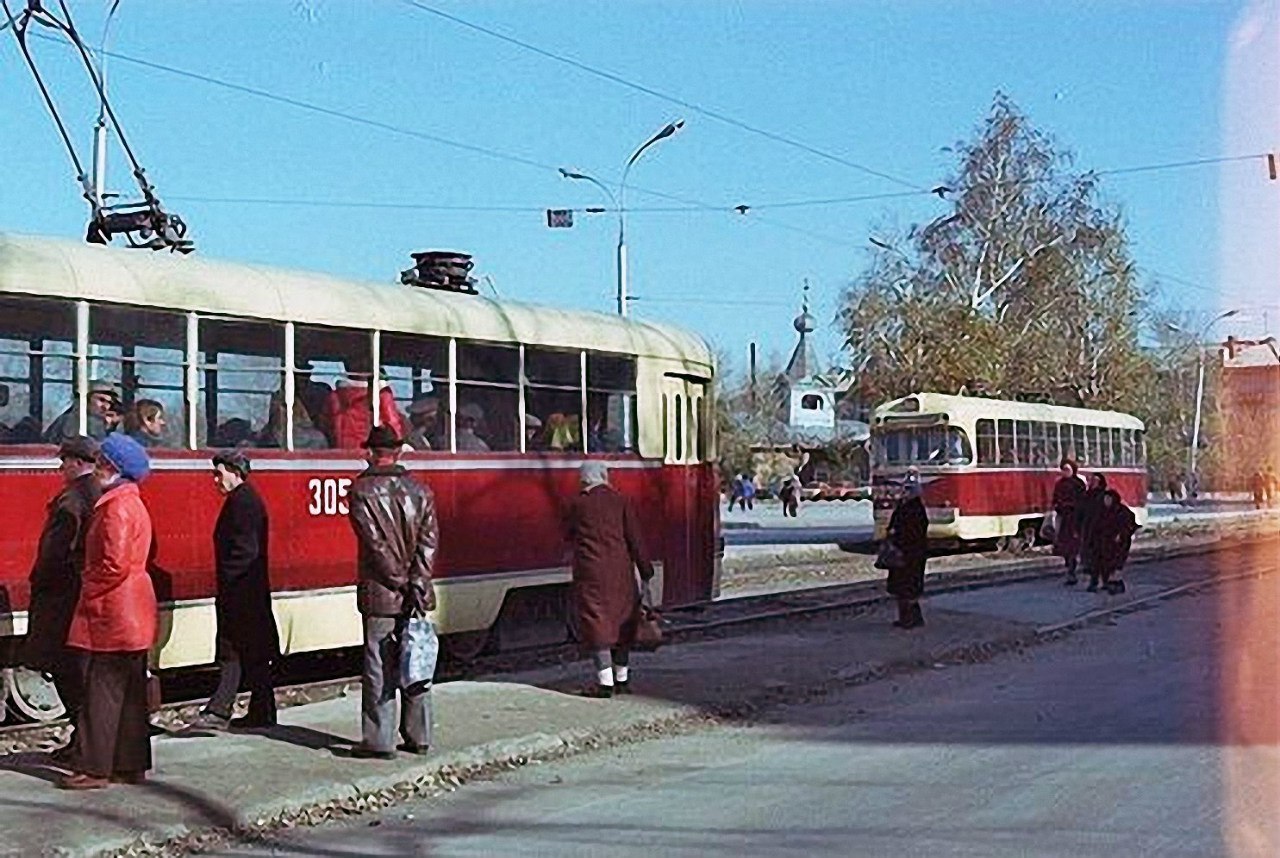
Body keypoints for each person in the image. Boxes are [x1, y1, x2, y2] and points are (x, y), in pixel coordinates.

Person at [59, 434, 156, 790]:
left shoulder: (115, 508)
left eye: (101, 462)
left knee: (101, 692)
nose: (97, 468)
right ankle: (130, 765)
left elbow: (112, 565)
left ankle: (93, 767)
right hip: (135, 609)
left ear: (113, 468)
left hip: (114, 609)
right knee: (130, 694)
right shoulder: (134, 503)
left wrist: (89, 584)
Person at [345, 424, 438, 759]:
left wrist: (397, 581)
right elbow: (429, 545)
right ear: (398, 453)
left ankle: (379, 740)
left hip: (381, 593)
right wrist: (417, 583)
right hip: (414, 593)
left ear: (370, 452)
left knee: (378, 664)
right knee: (416, 660)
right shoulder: (421, 492)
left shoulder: (361, 491)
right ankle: (419, 736)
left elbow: (375, 546)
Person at [22, 437, 102, 759]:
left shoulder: (71, 499)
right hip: (76, 592)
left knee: (63, 665)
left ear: (77, 462)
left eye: (65, 460)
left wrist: (38, 579)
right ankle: (85, 736)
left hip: (60, 596)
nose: (61, 466)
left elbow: (56, 552)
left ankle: (83, 737)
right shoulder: (97, 493)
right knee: (76, 667)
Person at [191, 451, 280, 731]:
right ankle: (260, 710)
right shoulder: (246, 500)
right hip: (248, 590)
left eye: (219, 473)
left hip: (240, 590)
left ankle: (221, 709)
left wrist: (229, 584)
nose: (215, 480)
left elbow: (243, 550)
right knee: (250, 652)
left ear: (234, 471)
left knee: (233, 649)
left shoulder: (241, 503)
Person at [567, 461, 654, 698]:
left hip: (591, 574)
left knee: (598, 624)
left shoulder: (578, 504)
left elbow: (569, 535)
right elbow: (635, 538)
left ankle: (605, 683)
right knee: (623, 623)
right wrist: (645, 570)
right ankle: (622, 680)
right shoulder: (621, 501)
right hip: (620, 573)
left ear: (585, 478)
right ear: (604, 476)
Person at [885, 468, 929, 629]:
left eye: (908, 490)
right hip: (905, 552)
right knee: (904, 588)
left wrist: (896, 534)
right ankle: (909, 617)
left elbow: (913, 531)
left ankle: (910, 618)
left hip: (909, 553)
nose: (905, 492)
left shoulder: (914, 509)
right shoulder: (909, 507)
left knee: (907, 587)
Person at [324, 373, 408, 450]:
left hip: (342, 456)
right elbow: (392, 426)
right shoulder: (383, 396)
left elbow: (333, 427)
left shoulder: (336, 397)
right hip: (372, 453)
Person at [1090, 489, 1139, 595]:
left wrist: (1121, 535)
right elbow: (1095, 525)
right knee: (1101, 562)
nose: (1106, 501)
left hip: (1118, 543)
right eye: (1105, 499)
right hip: (1103, 541)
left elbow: (1129, 525)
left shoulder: (1122, 511)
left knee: (1115, 563)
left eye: (1109, 499)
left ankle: (1115, 584)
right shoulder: (1101, 511)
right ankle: (1104, 582)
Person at [44, 382, 121, 443]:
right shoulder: (73, 422)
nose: (105, 406)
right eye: (101, 400)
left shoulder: (102, 424)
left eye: (109, 403)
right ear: (85, 399)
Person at [1051, 459, 1086, 585]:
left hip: (1075, 519)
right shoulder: (1060, 484)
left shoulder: (1078, 484)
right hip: (1064, 517)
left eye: (1067, 470)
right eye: (1063, 470)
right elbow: (1055, 497)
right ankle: (1069, 568)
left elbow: (1083, 501)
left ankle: (1072, 570)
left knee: (1073, 546)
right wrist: (1056, 506)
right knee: (1063, 545)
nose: (1065, 472)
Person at [1075, 472, 1108, 590]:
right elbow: (1080, 512)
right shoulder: (1086, 496)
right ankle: (1094, 581)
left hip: (1102, 532)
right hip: (1089, 531)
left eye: (1095, 481)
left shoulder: (1105, 496)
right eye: (1092, 481)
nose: (1093, 483)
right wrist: (1077, 527)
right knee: (1092, 557)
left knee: (1102, 558)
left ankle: (1103, 581)